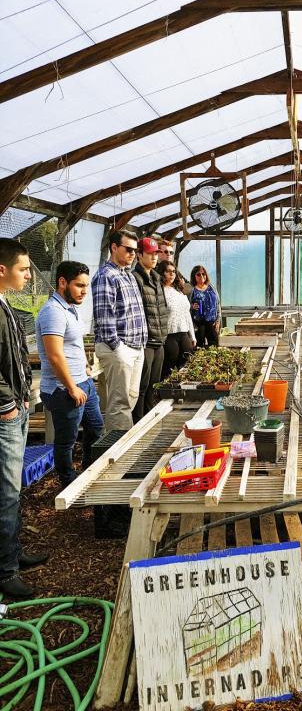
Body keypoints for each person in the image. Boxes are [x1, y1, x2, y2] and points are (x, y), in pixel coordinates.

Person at [0, 239, 48, 599]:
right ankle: (5, 571)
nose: (29, 275)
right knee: (6, 492)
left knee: (12, 488)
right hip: (5, 414)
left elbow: (14, 357)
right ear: (2, 270)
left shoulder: (6, 304)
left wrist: (25, 397)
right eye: (23, 268)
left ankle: (13, 554)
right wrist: (8, 405)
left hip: (16, 407)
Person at [36, 261, 104, 489]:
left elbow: (73, 345)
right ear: (62, 282)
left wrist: (85, 366)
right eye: (79, 285)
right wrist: (72, 387)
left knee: (95, 429)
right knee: (66, 441)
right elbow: (55, 355)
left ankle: (88, 474)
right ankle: (69, 485)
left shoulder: (70, 308)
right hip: (63, 389)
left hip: (83, 382)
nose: (84, 291)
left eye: (86, 286)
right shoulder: (52, 312)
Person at [92, 230, 147, 432]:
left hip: (135, 346)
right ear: (114, 247)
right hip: (118, 348)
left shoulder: (128, 275)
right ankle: (116, 450)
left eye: (135, 250)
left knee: (130, 397)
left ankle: (118, 439)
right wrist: (118, 347)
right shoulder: (106, 275)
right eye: (128, 249)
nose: (133, 254)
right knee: (119, 403)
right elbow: (105, 316)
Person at [132, 238, 168, 423]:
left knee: (154, 384)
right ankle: (138, 421)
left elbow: (162, 307)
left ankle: (149, 418)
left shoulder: (156, 278)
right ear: (139, 255)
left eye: (156, 254)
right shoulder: (135, 278)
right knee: (141, 386)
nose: (154, 257)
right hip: (145, 342)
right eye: (149, 254)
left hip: (159, 341)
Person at [157, 260, 196, 379]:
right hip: (169, 335)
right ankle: (163, 394)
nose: (172, 274)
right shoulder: (159, 291)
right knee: (168, 368)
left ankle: (181, 394)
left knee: (186, 365)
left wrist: (192, 336)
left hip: (184, 333)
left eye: (173, 271)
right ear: (162, 273)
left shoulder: (179, 291)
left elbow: (187, 314)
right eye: (168, 271)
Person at [189, 265, 221, 348]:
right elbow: (185, 307)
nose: (201, 276)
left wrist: (218, 321)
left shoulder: (211, 287)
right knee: (199, 348)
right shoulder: (191, 290)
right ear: (194, 276)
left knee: (214, 348)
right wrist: (191, 306)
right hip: (198, 325)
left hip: (212, 323)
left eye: (203, 274)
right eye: (198, 274)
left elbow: (218, 305)